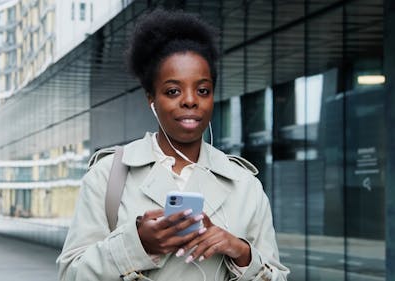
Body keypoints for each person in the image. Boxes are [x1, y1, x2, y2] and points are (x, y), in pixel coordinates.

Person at [57, 9, 290, 281]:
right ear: (151, 99)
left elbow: (277, 276)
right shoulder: (108, 176)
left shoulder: (244, 184)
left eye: (202, 90)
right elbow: (69, 274)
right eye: (173, 91)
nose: (190, 101)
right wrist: (137, 245)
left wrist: (241, 253)